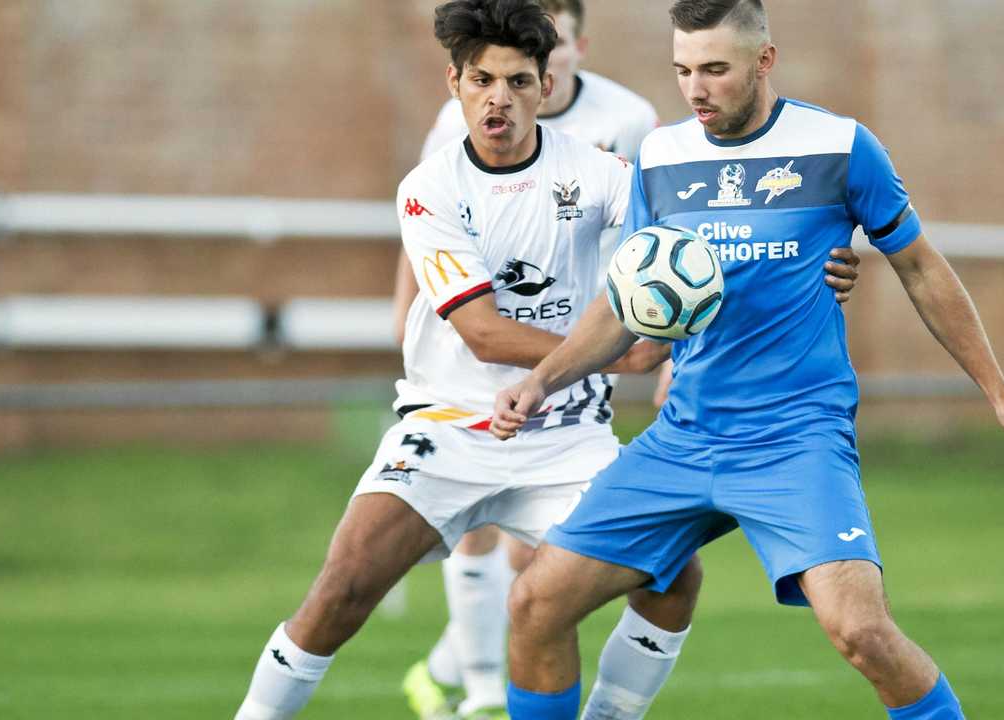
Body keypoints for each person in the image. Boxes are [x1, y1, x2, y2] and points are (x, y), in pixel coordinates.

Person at [491, 1, 1004, 719]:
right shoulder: (663, 157)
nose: (695, 88)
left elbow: (919, 266)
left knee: (861, 632)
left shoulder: (840, 146)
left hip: (796, 438)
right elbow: (626, 302)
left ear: (764, 61)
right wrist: (541, 380)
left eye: (714, 70)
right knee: (535, 603)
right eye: (683, 70)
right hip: (686, 435)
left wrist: (1000, 394)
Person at [390, 2, 863, 717]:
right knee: (507, 569)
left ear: (569, 50)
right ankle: (474, 679)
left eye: (542, 54)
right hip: (486, 386)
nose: (695, 86)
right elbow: (426, 221)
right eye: (686, 70)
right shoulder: (459, 130)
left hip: (614, 389)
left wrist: (819, 261)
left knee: (615, 574)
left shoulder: (637, 129)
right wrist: (410, 316)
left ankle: (517, 687)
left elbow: (677, 245)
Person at [233, 3, 699, 718]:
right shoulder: (429, 188)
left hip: (567, 440)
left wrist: (803, 256)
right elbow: (483, 332)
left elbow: (682, 237)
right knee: (343, 589)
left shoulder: (602, 174)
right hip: (450, 428)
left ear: (547, 86)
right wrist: (618, 355)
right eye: (482, 79)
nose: (498, 99)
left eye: (517, 81)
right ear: (454, 81)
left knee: (673, 576)